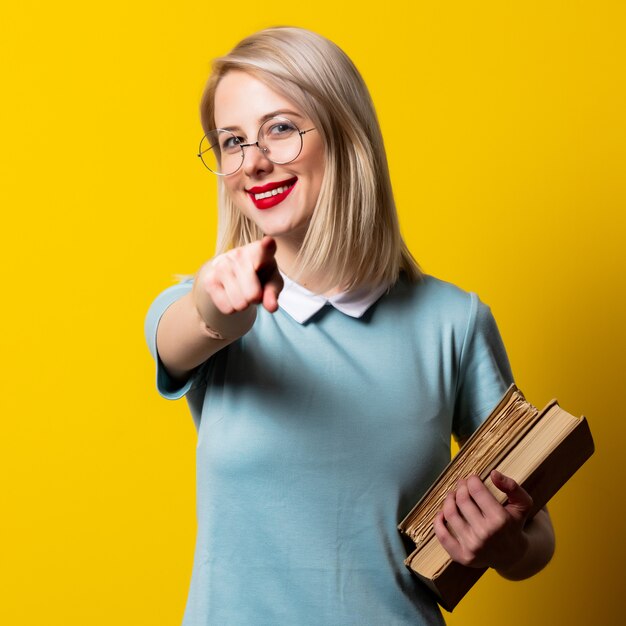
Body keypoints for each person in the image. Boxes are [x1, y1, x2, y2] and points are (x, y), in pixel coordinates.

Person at [145, 26, 555, 626]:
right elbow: (183, 335)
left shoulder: (453, 323)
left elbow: (536, 533)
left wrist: (508, 544)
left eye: (280, 128)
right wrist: (215, 306)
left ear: (344, 133)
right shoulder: (203, 305)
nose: (253, 162)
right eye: (231, 141)